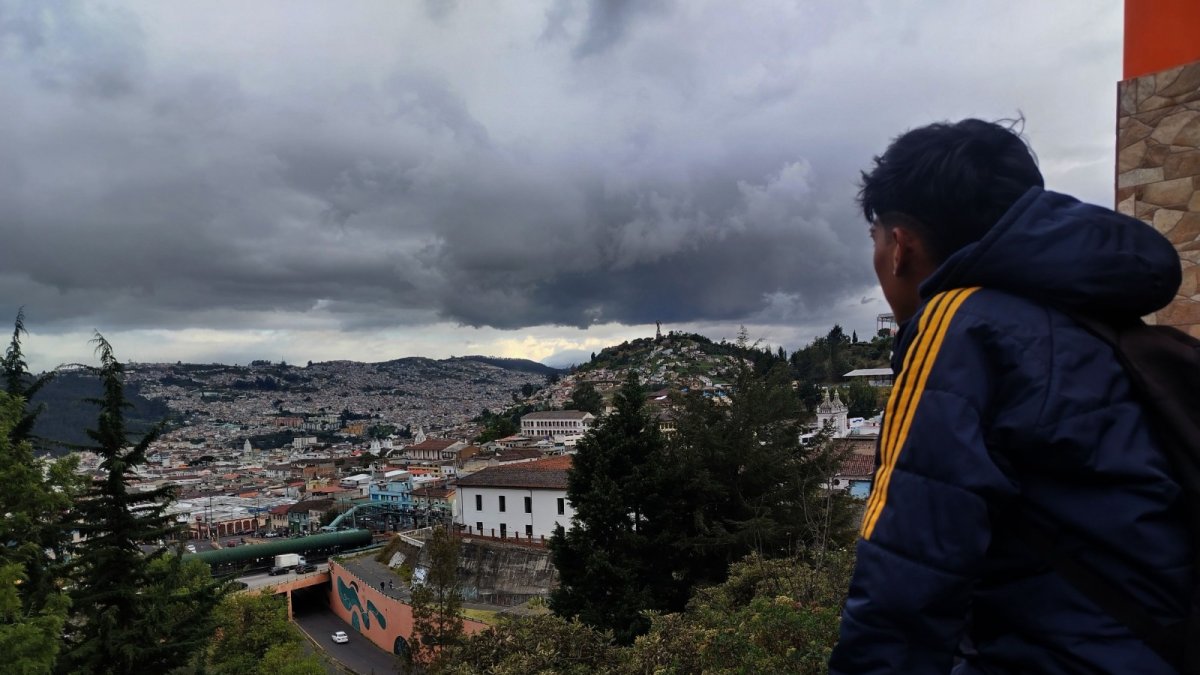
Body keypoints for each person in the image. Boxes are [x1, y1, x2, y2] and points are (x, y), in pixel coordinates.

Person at [828, 118, 1192, 674]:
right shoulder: (1089, 320)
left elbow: (904, 587)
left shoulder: (961, 326)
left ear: (899, 247)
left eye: (875, 239)